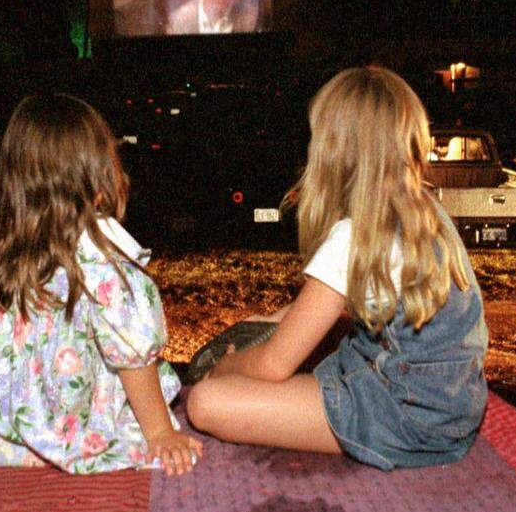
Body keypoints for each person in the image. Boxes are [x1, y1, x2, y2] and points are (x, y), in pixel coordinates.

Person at [186, 67, 488, 470]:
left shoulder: (353, 235)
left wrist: (228, 366)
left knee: (206, 402)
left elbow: (275, 365)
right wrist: (272, 320)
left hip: (404, 417)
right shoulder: (428, 213)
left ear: (334, 150)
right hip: (452, 410)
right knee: (295, 339)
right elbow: (349, 303)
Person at [0, 94, 202, 475]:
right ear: (95, 178)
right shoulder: (100, 259)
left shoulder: (4, 245)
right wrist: (159, 432)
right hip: (62, 417)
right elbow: (131, 350)